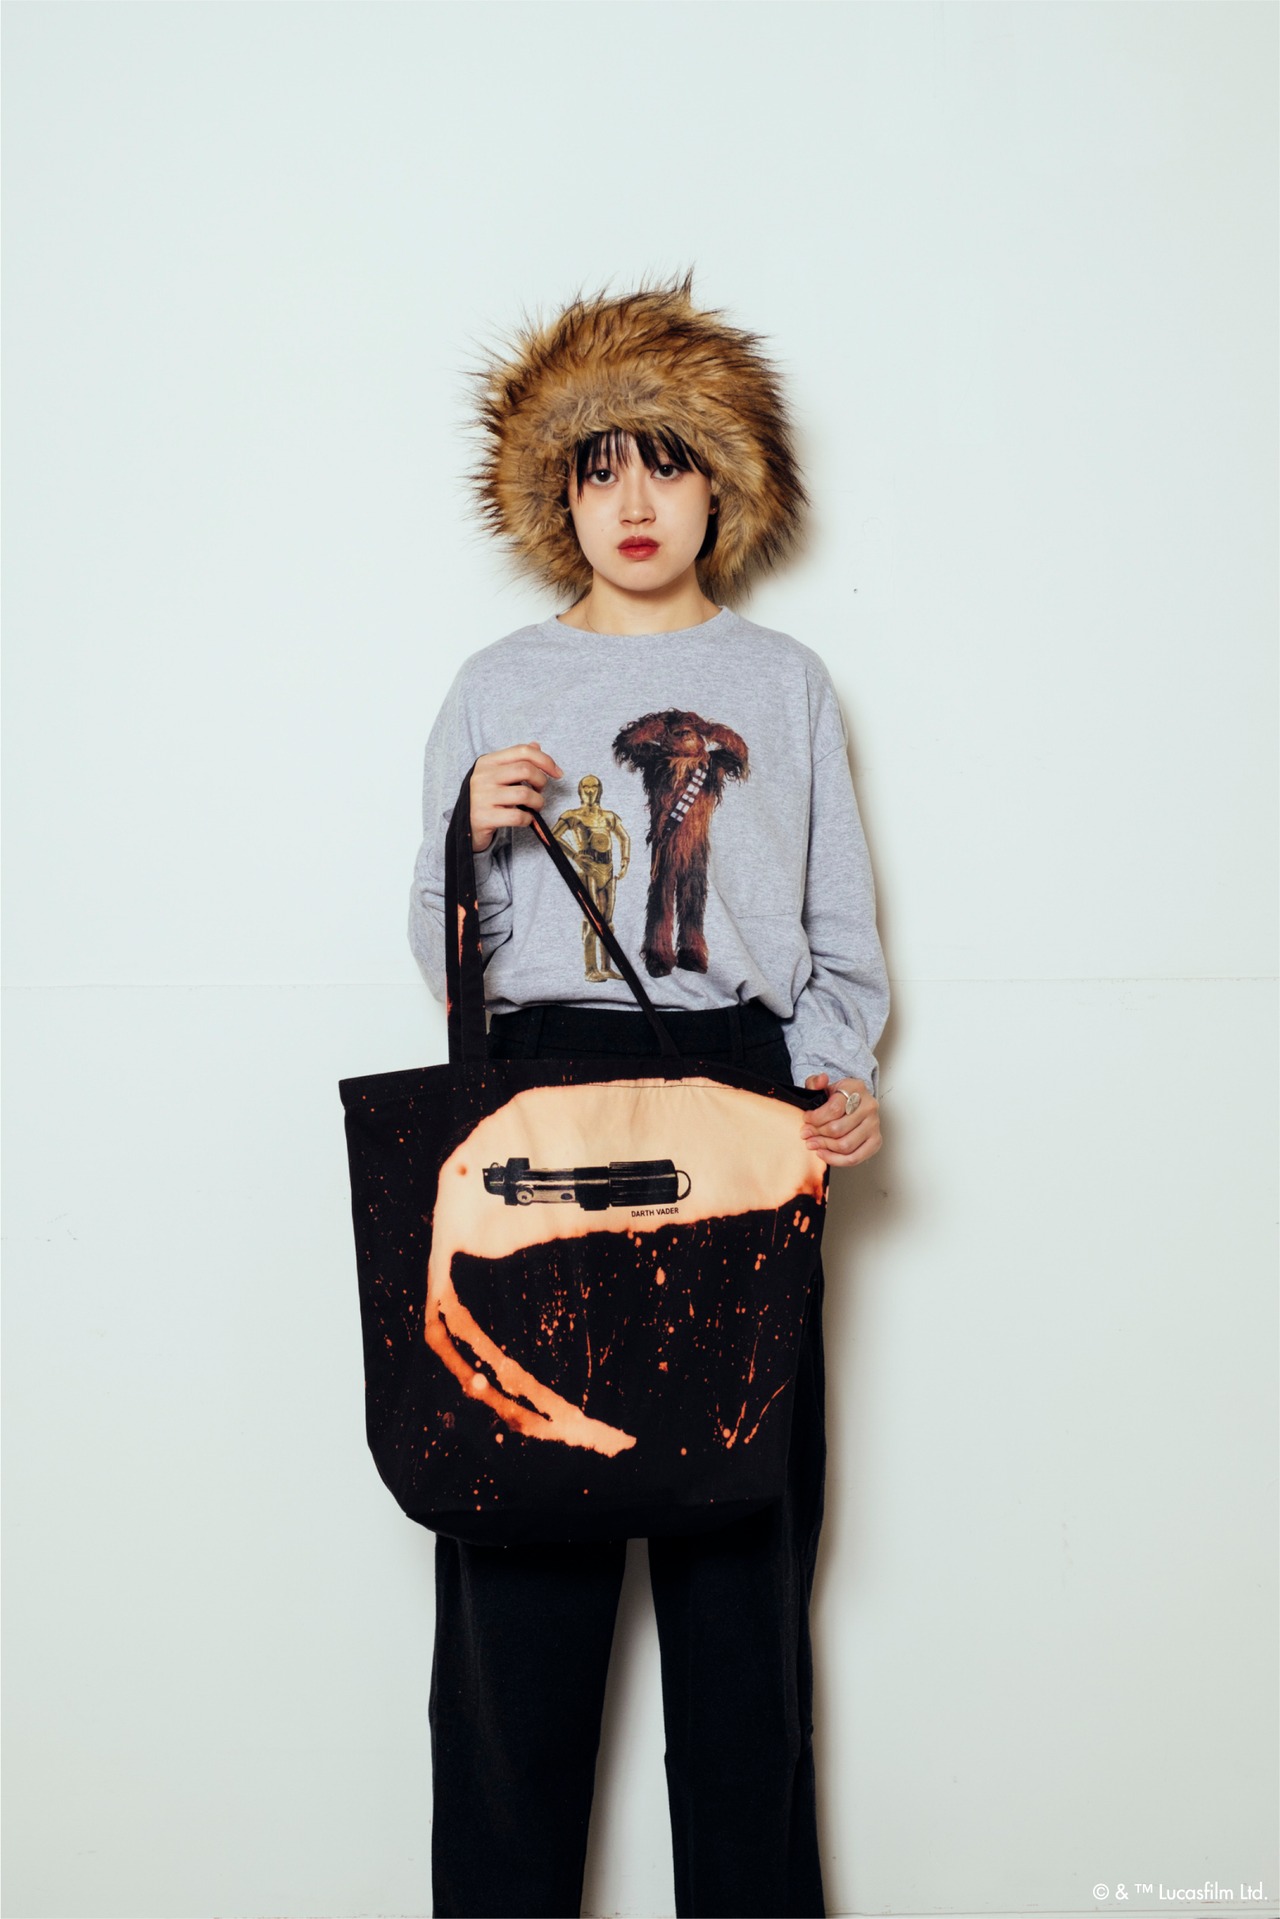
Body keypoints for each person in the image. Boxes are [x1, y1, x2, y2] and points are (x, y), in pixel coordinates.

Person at [408, 269, 889, 1919]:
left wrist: (834, 1079)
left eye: (666, 461)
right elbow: (446, 964)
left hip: (737, 1098)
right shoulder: (494, 683)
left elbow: (835, 929)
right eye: (598, 465)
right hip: (542, 1093)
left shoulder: (788, 681)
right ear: (556, 493)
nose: (632, 500)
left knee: (741, 1582)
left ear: (722, 485)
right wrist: (472, 841)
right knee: (515, 1570)